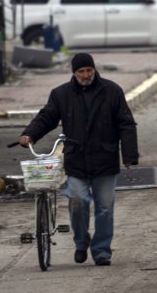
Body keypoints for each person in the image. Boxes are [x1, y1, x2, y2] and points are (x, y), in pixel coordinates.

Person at [19, 53, 138, 266]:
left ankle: (101, 252)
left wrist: (129, 155)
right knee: (77, 202)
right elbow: (46, 117)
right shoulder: (61, 95)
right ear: (74, 73)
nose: (86, 75)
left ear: (94, 70)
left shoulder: (111, 91)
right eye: (81, 71)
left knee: (104, 208)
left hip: (105, 158)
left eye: (89, 70)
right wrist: (30, 134)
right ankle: (81, 242)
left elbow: (126, 124)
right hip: (76, 159)